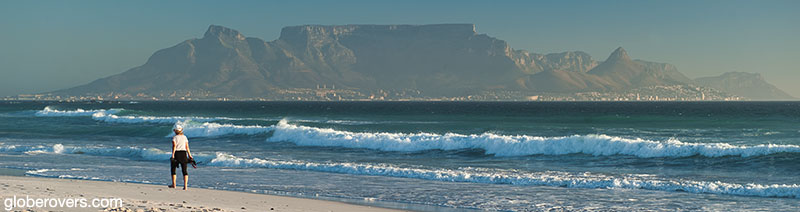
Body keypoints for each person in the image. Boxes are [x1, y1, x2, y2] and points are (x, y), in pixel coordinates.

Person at [169, 125, 193, 190]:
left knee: (173, 169)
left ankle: (174, 184)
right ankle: (185, 186)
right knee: (184, 170)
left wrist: (173, 155)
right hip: (184, 153)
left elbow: (174, 147)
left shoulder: (175, 138)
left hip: (177, 153)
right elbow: (187, 147)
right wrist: (190, 155)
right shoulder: (185, 137)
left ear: (175, 131)